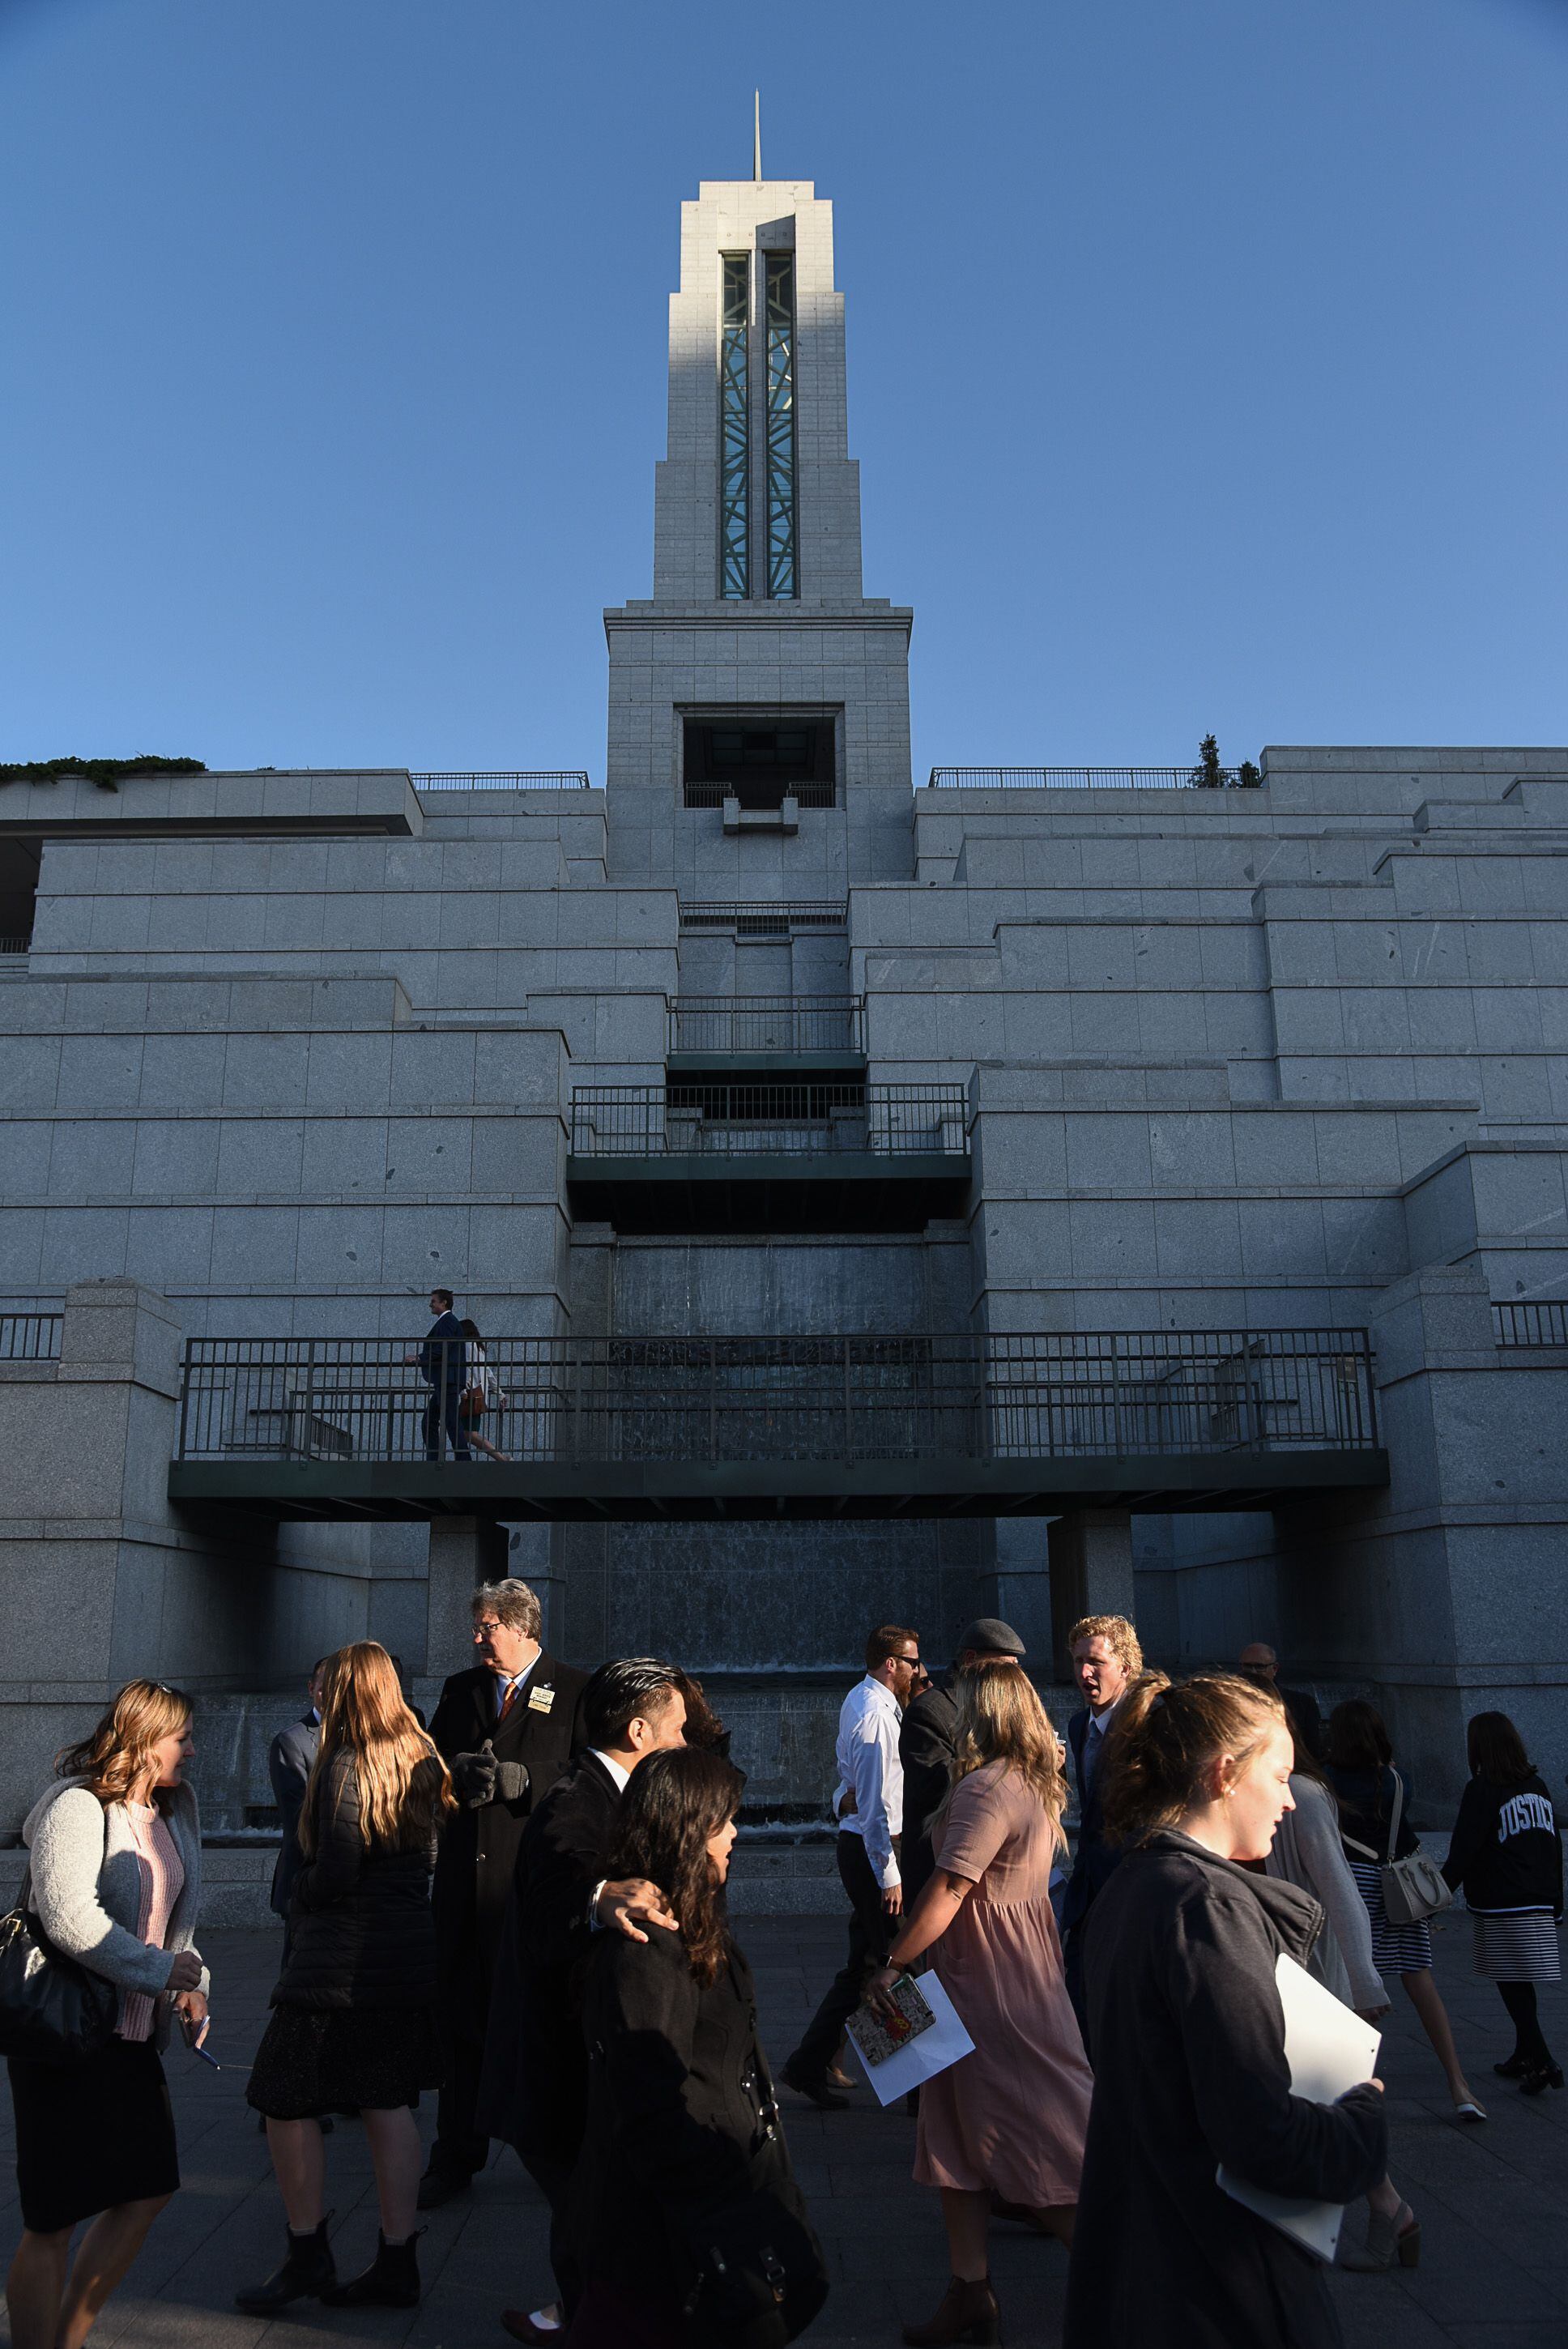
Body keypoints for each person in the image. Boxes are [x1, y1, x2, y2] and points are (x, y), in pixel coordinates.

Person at [1063, 1673, 1387, 2349]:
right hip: (1216, 2281)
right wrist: (1361, 2118)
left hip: (1144, 2263)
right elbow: (1259, 2133)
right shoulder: (1207, 1907)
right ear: (1223, 1775)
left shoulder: (1133, 1885)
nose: (1290, 1803)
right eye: (1280, 1776)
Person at [566, 1746, 829, 2349]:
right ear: (687, 1831)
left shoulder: (691, 1916)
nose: (735, 1834)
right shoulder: (646, 1953)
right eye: (722, 1821)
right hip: (664, 2241)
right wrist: (722, 2184)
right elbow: (649, 2106)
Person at [868, 1661, 1091, 2348]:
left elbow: (950, 1890)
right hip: (1007, 1965)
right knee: (955, 2129)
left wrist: (894, 1963)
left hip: (984, 1979)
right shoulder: (1032, 1782)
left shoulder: (986, 1789)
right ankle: (971, 2291)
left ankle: (1129, 2276)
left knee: (1036, 2134)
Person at [237, 1641, 454, 2314]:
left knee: (281, 2094)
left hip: (339, 1961)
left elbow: (335, 1869)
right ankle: (397, 2261)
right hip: (406, 1952)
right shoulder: (421, 1755)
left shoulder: (343, 1764)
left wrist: (300, 1891)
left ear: (348, 1693)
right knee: (387, 2102)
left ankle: (308, 2254)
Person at [484, 1659, 691, 2344]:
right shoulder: (578, 1799)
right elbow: (555, 1900)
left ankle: (576, 2318)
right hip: (557, 2064)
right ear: (639, 1731)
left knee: (596, 2215)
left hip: (579, 2063)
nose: (685, 1745)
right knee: (592, 2213)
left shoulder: (617, 1789)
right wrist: (599, 1899)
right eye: (677, 1731)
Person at [6, 1682, 207, 2349]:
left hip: (130, 2037)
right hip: (64, 2037)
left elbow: (173, 1923)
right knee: (53, 2219)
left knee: (148, 2191)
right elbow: (67, 1917)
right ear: (146, 1740)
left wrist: (192, 1980)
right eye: (181, 1737)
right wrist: (157, 1972)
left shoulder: (176, 1810)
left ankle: (66, 2336)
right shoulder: (78, 1806)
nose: (191, 1749)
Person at [424, 1577, 590, 2208]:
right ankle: (453, 2156)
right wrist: (452, 1773)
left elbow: (594, 1775)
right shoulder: (461, 1690)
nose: (477, 1637)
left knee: (541, 2026)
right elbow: (432, 1763)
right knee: (460, 2027)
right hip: (465, 1891)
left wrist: (528, 1780)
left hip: (531, 1893)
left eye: (487, 1626)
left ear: (522, 1628)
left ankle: (562, 2153)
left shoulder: (574, 1690)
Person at [1265, 1718, 1416, 2273]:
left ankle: (1385, 2211)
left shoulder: (1301, 1795)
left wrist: (1363, 1980)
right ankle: (1386, 2212)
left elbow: (1340, 1887)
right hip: (1285, 1960)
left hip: (1311, 1965)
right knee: (1321, 2096)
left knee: (1325, 2096)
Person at [780, 1623, 921, 2109]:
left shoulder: (863, 1700)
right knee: (901, 1962)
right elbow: (876, 1804)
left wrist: (842, 1798)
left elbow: (852, 1786)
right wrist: (891, 1874)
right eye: (912, 1662)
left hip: (864, 1846)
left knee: (864, 1964)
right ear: (891, 1664)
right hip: (874, 1852)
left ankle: (808, 2065)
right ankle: (919, 2091)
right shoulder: (876, 1714)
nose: (916, 1671)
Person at [1324, 1698, 1484, 2120]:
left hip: (1354, 1884)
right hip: (1398, 1884)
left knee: (1361, 1984)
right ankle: (1458, 2083)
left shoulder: (1327, 1782)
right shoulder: (1398, 1780)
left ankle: (1355, 2088)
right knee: (1420, 1981)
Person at [1443, 1710, 1563, 2095]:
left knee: (1511, 1979)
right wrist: (1556, 1899)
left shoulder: (1482, 1789)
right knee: (1517, 1979)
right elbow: (1553, 1845)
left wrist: (1438, 1894)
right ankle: (1524, 2053)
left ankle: (1542, 2059)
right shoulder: (1537, 1785)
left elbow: (1465, 1848)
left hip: (1501, 1898)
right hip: (1537, 1895)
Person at [898, 1618, 1029, 1913]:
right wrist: (1006, 1765)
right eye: (1006, 1665)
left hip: (995, 1878)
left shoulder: (1007, 1707)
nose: (1016, 1674)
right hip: (942, 1877)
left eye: (1016, 1666)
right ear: (971, 1660)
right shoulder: (929, 1711)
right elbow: (935, 1788)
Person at [1060, 1612, 1142, 2028]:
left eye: (1096, 1662)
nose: (1085, 1672)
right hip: (1089, 1891)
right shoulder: (1078, 1726)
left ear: (1125, 1667)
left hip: (1137, 1895)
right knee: (1082, 2004)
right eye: (1078, 1662)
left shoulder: (1149, 1723)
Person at [268, 1659, 327, 1933]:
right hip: (304, 1879)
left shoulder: (358, 1738)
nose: (330, 1695)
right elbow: (298, 1815)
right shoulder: (291, 1741)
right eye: (323, 1688)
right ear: (311, 1687)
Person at [403, 1285, 470, 1462]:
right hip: (446, 1380)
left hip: (448, 1380)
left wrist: (419, 1358)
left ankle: (462, 1460)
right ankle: (441, 1458)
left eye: (433, 1301)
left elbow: (442, 1348)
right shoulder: (448, 1321)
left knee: (448, 1422)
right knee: (432, 1422)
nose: (430, 1305)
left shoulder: (447, 1321)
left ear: (444, 1303)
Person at [1239, 1640, 1324, 1758]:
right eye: (1248, 1666)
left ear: (1274, 1669)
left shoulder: (1303, 1705)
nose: (1253, 1672)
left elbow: (1312, 1750)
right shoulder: (1228, 1702)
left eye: (1259, 1667)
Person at [459, 1317, 511, 1462]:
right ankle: (464, 1459)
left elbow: (469, 1370)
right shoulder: (478, 1347)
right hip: (478, 1395)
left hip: (471, 1395)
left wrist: (463, 1388)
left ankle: (501, 1458)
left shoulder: (467, 1346)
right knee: (465, 1433)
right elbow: (488, 1372)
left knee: (471, 1435)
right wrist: (500, 1394)